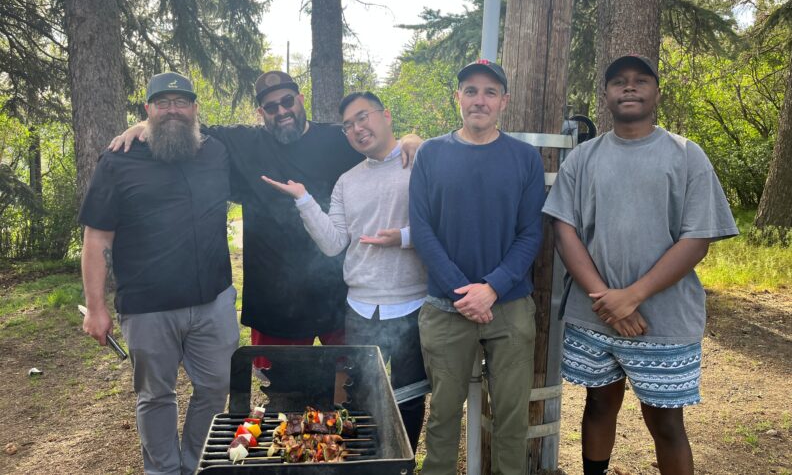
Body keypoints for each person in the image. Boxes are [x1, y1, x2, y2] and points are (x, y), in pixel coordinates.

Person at [110, 71, 420, 374]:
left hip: (336, 296)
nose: (282, 111)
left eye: (288, 101)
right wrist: (144, 124)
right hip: (274, 300)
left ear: (300, 99)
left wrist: (411, 138)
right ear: (261, 112)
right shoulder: (242, 143)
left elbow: (379, 146)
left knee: (345, 391)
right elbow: (184, 124)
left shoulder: (337, 140)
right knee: (283, 397)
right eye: (271, 107)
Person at [542, 54, 739, 475]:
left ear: (656, 93)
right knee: (598, 404)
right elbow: (565, 232)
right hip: (594, 316)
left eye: (640, 81)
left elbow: (697, 238)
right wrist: (606, 301)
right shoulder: (582, 159)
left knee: (666, 422)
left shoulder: (687, 156)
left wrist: (632, 297)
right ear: (607, 95)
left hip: (663, 321)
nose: (629, 87)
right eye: (618, 81)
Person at [80, 72, 239, 475]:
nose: (172, 109)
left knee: (216, 387)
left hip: (213, 303)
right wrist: (95, 308)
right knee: (155, 396)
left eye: (181, 102)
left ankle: (196, 463)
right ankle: (164, 470)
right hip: (148, 308)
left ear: (194, 109)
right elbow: (97, 238)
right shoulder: (117, 160)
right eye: (162, 102)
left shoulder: (216, 151)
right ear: (148, 110)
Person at [261, 91, 428, 451]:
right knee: (362, 399)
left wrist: (402, 238)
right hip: (360, 310)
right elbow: (334, 244)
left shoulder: (421, 161)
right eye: (348, 125)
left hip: (412, 305)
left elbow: (446, 225)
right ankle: (369, 464)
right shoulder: (347, 181)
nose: (357, 128)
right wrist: (304, 200)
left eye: (363, 117)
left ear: (385, 115)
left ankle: (402, 465)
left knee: (410, 398)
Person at [409, 59, 545, 475]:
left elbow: (531, 233)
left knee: (511, 419)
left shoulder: (525, 158)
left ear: (503, 101)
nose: (479, 100)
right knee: (443, 417)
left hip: (509, 308)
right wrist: (461, 291)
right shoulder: (431, 154)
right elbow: (422, 230)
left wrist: (492, 288)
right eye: (470, 90)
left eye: (489, 92)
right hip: (446, 309)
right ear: (458, 98)